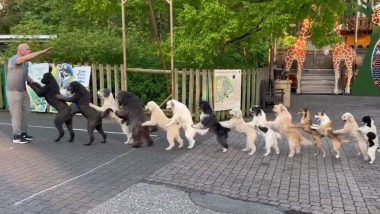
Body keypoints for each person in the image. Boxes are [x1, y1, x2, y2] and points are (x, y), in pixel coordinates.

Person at [6, 44, 53, 144]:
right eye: (27, 49)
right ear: (20, 50)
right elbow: (27, 57)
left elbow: (24, 73)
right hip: (13, 91)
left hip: (23, 90)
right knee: (16, 115)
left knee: (26, 112)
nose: (29, 51)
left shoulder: (25, 63)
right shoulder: (13, 59)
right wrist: (42, 52)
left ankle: (23, 133)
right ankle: (16, 136)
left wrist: (31, 80)